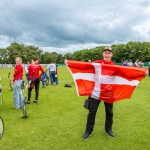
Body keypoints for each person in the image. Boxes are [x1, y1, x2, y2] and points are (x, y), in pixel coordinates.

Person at [82, 48, 115, 140]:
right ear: (103, 54)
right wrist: (70, 63)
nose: (107, 55)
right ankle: (88, 131)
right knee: (92, 112)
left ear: (111, 55)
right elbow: (84, 66)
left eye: (109, 53)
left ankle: (108, 129)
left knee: (109, 112)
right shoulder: (96, 63)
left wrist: (142, 72)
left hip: (108, 93)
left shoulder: (114, 66)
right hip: (96, 92)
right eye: (105, 53)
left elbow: (126, 73)